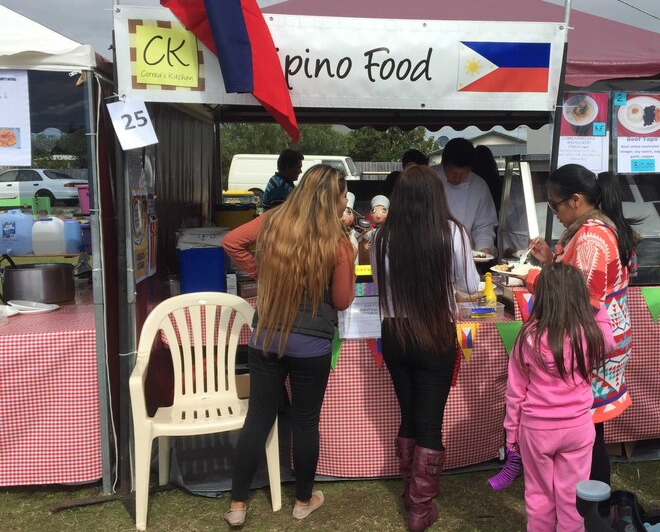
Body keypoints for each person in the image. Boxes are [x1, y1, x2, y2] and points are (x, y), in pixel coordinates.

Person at [222, 165, 356, 527]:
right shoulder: (338, 242)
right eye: (344, 195)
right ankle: (302, 500)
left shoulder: (274, 220)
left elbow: (231, 241)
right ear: (332, 198)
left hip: (267, 337)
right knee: (305, 422)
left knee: (258, 418)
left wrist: (262, 271)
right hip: (311, 344)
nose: (347, 201)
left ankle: (237, 505)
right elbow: (342, 301)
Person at [371, 165, 480, 532]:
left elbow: (377, 283)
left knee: (409, 414)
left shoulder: (381, 237)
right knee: (429, 422)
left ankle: (410, 495)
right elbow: (470, 286)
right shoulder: (453, 233)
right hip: (434, 333)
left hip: (395, 334)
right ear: (437, 196)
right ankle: (420, 509)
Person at [528, 164, 641, 486]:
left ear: (575, 200)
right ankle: (587, 501)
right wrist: (551, 261)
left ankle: (591, 506)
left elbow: (581, 298)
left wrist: (534, 276)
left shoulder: (591, 237)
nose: (555, 212)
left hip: (594, 342)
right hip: (598, 338)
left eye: (555, 205)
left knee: (587, 433)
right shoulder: (594, 231)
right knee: (588, 430)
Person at [505, 262, 614, 532]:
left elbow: (515, 391)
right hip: (577, 428)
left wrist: (511, 434)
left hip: (536, 430)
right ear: (580, 297)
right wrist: (597, 308)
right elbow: (610, 340)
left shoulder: (527, 336)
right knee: (572, 497)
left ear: (541, 296)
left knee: (539, 496)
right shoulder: (590, 334)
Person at [431, 138, 498, 255]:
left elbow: (484, 225)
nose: (457, 178)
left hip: (466, 255)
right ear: (443, 164)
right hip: (432, 253)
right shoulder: (429, 178)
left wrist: (483, 249)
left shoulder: (479, 186)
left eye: (462, 174)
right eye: (453, 173)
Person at [472, 144, 503, 214]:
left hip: (475, 215)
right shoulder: (495, 178)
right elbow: (499, 201)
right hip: (493, 214)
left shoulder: (472, 178)